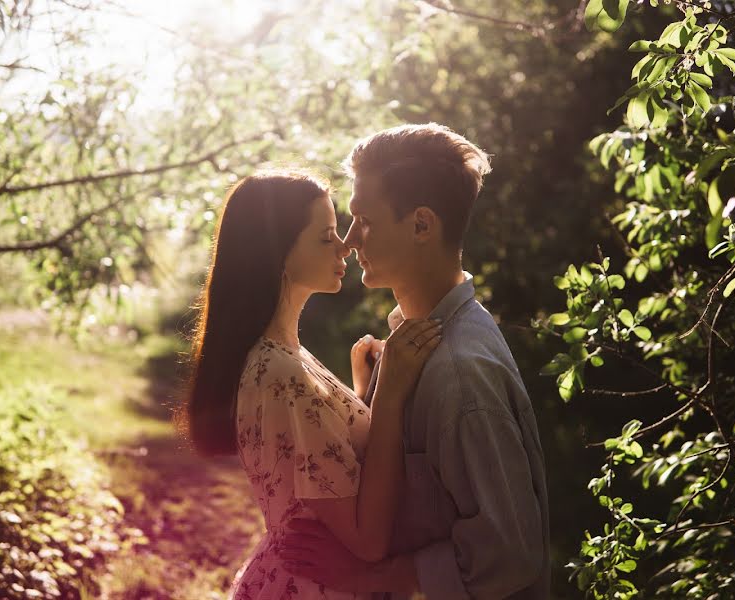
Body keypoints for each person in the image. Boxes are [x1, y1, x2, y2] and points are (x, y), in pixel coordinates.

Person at [278, 124, 551, 599]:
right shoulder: (412, 341)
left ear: (422, 225)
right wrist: (368, 400)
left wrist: (370, 580)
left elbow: (509, 552)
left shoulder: (462, 373)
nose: (349, 240)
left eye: (364, 220)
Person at [177, 170, 442, 599]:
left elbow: (323, 461)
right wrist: (389, 395)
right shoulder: (281, 374)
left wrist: (360, 395)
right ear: (277, 253)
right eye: (326, 237)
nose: (345, 246)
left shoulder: (283, 353)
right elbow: (367, 540)